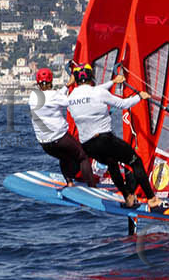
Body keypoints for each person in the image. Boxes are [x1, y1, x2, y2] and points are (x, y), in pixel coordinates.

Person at [65, 63, 160, 209]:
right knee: (135, 161)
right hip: (105, 141)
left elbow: (92, 93)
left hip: (88, 147)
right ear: (91, 77)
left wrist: (113, 82)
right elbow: (123, 104)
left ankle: (128, 196)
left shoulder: (71, 97)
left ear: (76, 80)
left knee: (112, 163)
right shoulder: (98, 93)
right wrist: (139, 97)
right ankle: (151, 198)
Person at [28, 67, 94, 186]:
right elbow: (70, 102)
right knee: (83, 156)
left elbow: (53, 97)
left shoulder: (33, 97)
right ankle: (93, 187)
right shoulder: (54, 95)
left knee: (64, 156)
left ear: (38, 84)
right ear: (51, 81)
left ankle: (69, 182)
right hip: (60, 139)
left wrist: (68, 85)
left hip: (45, 144)